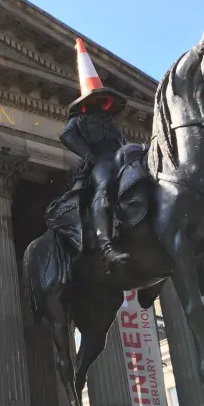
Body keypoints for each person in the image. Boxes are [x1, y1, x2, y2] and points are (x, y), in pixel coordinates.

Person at [46, 38, 130, 274]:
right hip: (100, 161)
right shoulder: (80, 120)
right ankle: (106, 245)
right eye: (97, 99)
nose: (101, 104)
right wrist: (88, 154)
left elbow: (123, 144)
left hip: (120, 160)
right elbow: (67, 136)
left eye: (103, 100)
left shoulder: (112, 126)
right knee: (104, 186)